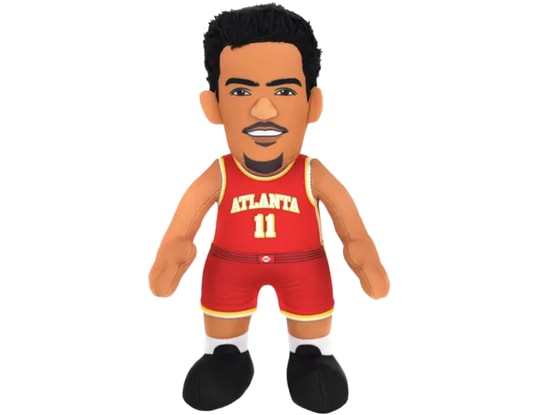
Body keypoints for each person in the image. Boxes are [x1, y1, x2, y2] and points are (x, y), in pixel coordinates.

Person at [149, 4, 389, 413]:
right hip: (230, 266)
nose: (264, 110)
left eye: (284, 91)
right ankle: (225, 356)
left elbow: (352, 230)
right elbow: (182, 227)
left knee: (313, 335)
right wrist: (173, 252)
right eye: (241, 92)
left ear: (312, 104)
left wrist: (364, 258)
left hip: (303, 267)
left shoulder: (312, 173)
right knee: (222, 331)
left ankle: (311, 356)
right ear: (214, 106)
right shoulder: (220, 173)